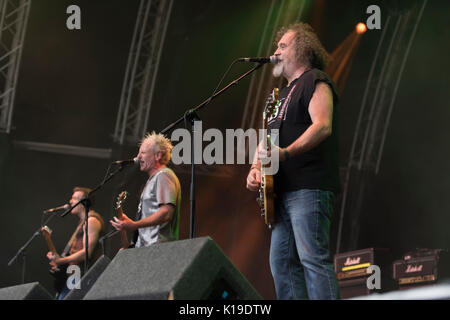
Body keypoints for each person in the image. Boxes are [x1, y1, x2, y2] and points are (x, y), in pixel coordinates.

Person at [246, 22, 340, 300]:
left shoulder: (315, 80)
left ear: (302, 49)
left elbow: (323, 126)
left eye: (282, 46)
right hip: (282, 192)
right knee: (281, 265)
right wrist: (254, 168)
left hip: (309, 187)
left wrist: (285, 153)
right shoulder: (279, 96)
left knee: (313, 260)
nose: (275, 52)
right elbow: (267, 139)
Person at [110, 131, 181, 248]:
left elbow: (166, 213)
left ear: (157, 155)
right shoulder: (151, 180)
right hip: (146, 249)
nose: (138, 157)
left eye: (142, 152)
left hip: (157, 248)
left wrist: (134, 225)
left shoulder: (163, 175)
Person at [46, 186, 105, 300]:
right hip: (74, 273)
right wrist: (59, 263)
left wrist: (61, 260)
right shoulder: (83, 222)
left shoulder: (91, 220)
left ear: (83, 202)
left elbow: (86, 253)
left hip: (80, 275)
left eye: (74, 198)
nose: (70, 201)